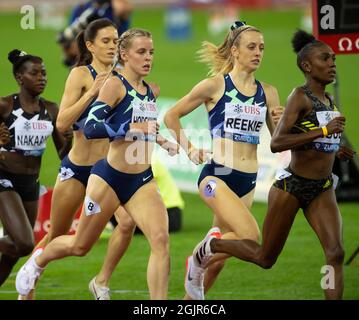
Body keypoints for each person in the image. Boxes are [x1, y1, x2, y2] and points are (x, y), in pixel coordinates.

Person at [16, 28, 179, 300]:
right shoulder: (100, 81)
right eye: (142, 52)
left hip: (132, 176)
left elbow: (143, 124)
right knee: (74, 242)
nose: (148, 57)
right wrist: (113, 112)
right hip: (95, 173)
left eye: (151, 52)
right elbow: (78, 126)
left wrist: (163, 140)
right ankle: (35, 268)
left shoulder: (145, 87)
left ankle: (113, 286)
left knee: (151, 236)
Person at [191, 30, 355, 300]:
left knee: (335, 252)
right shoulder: (298, 96)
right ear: (307, 66)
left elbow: (299, 135)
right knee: (263, 255)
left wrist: (335, 148)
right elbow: (278, 142)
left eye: (334, 59)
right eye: (326, 59)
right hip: (286, 185)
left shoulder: (327, 100)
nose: (333, 64)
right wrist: (323, 133)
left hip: (321, 187)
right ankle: (211, 246)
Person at [164, 21, 282, 300]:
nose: (258, 53)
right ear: (234, 51)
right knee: (248, 237)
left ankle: (189, 302)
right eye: (251, 47)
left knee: (224, 257)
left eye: (261, 48)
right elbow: (171, 115)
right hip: (217, 174)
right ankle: (196, 257)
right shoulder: (215, 85)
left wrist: (280, 123)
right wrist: (189, 149)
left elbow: (277, 142)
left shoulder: (269, 92)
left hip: (248, 180)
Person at [16, 18, 132, 300]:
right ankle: (28, 286)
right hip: (78, 167)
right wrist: (93, 92)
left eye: (116, 41)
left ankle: (101, 282)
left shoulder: (123, 76)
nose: (112, 46)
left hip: (109, 171)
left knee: (127, 224)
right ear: (90, 45)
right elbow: (62, 123)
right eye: (106, 41)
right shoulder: (80, 75)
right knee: (56, 234)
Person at [0, 49, 72, 286]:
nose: (42, 77)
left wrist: (69, 138)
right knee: (25, 244)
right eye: (35, 73)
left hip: (30, 183)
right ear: (20, 78)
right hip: (4, 178)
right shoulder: (5, 106)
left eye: (44, 73)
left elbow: (64, 155)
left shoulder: (51, 110)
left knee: (13, 254)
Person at [88, 153, 185, 300]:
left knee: (156, 237)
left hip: (160, 203)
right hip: (104, 172)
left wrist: (182, 145)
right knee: (79, 245)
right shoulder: (115, 149)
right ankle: (39, 261)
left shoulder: (143, 155)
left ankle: (101, 281)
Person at [58, 0, 133, 67]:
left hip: (111, 65)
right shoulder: (81, 9)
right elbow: (69, 43)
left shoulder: (113, 8)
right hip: (84, 65)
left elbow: (123, 8)